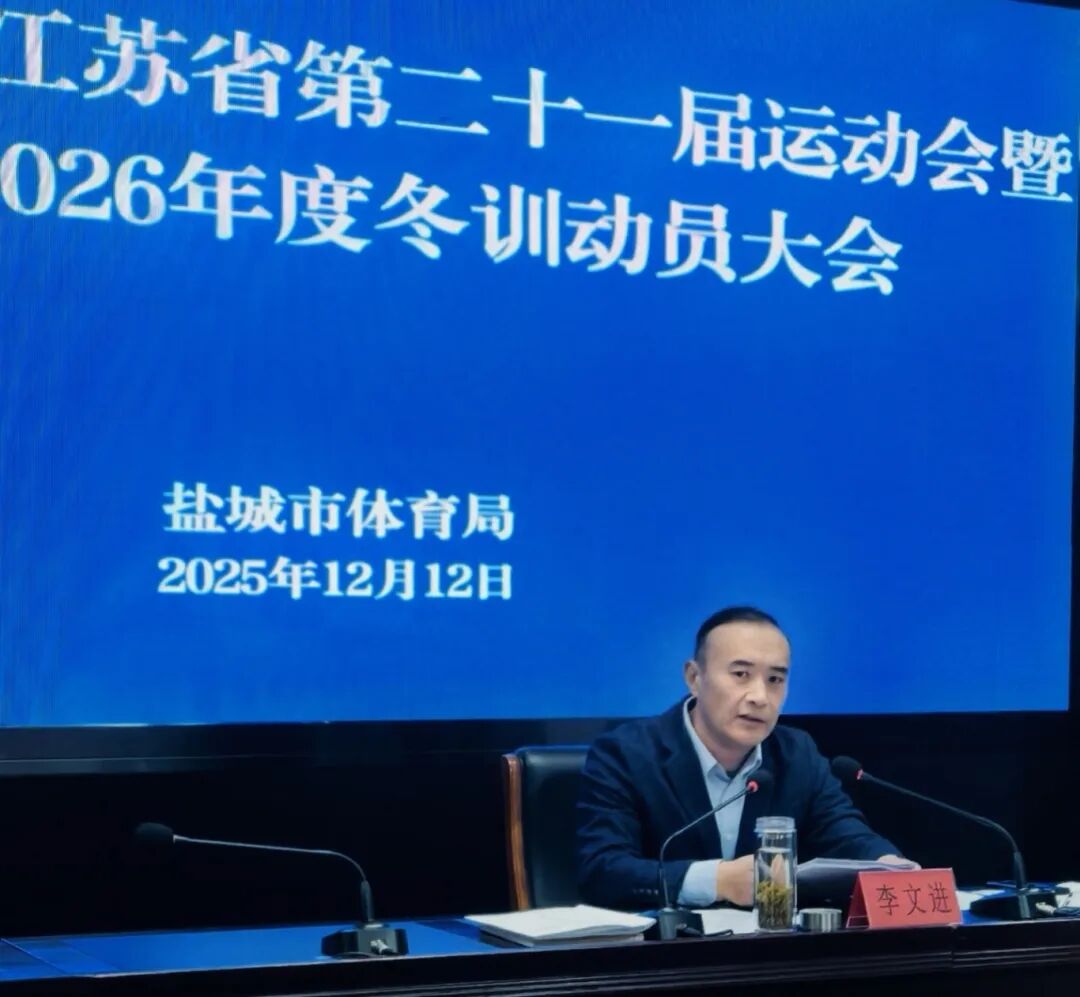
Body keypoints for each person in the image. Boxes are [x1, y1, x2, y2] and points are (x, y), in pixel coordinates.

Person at [576, 606, 911, 910]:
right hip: (661, 953)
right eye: (741, 674)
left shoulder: (797, 754)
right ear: (694, 678)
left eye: (775, 679)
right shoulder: (625, 754)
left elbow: (846, 835)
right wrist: (717, 880)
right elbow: (602, 870)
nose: (760, 697)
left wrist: (887, 865)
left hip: (768, 951)